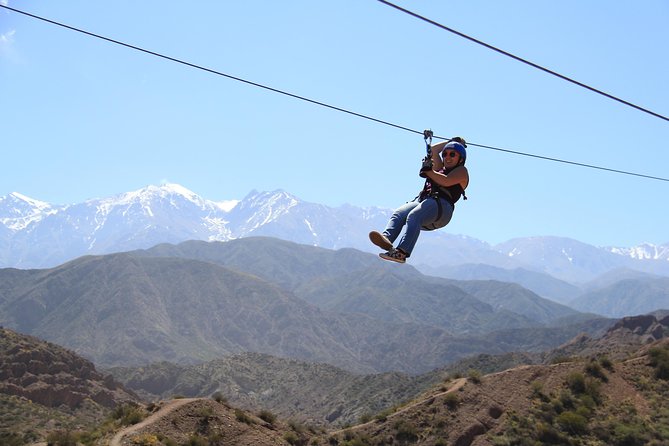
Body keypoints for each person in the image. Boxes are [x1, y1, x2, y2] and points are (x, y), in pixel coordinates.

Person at [369, 137, 469, 263]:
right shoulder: (439, 168)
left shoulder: (462, 171)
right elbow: (433, 150)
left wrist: (429, 171)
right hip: (426, 201)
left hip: (442, 208)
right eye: (445, 154)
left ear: (461, 159)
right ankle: (387, 239)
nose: (447, 157)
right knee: (400, 214)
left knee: (414, 215)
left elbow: (446, 181)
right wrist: (450, 142)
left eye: (452, 154)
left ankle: (402, 252)